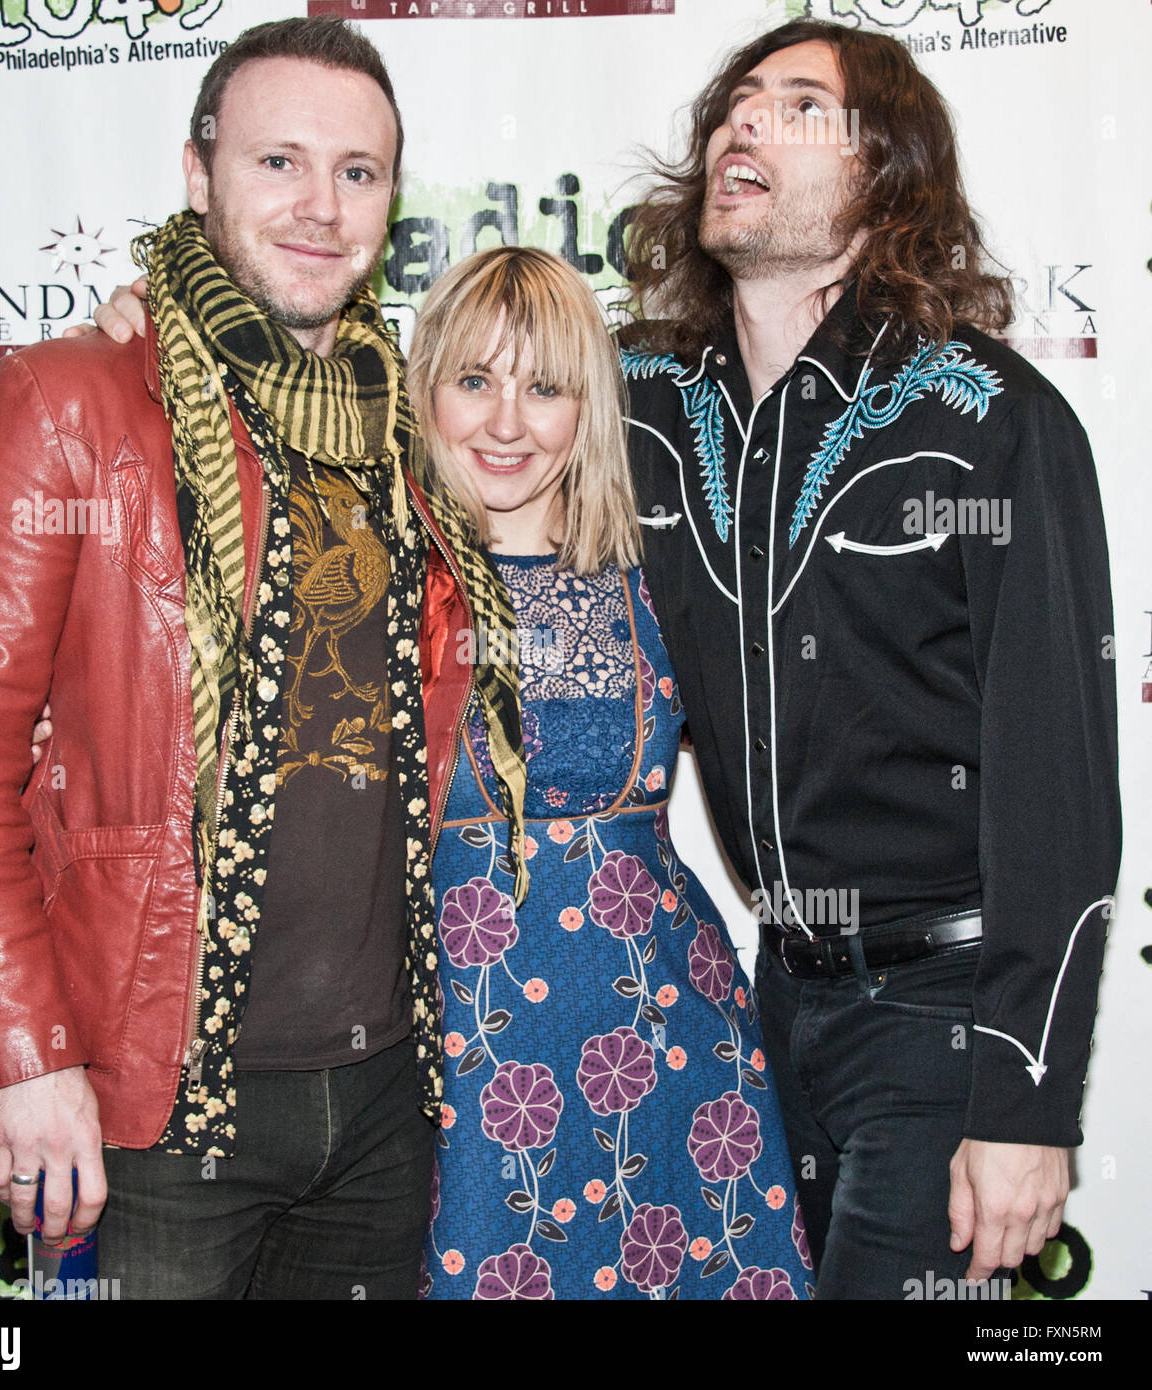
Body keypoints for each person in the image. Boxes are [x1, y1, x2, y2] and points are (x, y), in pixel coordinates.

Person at [0, 16, 529, 1300]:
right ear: (197, 175)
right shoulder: (68, 401)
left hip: (388, 1093)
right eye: (276, 161)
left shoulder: (401, 422)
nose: (318, 205)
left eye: (356, 172)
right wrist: (22, 1058)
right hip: (156, 1104)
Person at [79, 245, 814, 1301]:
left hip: (665, 1046)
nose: (507, 422)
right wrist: (154, 330)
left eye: (545, 386)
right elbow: (217, 449)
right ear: (422, 391)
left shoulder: (669, 566)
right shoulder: (364, 567)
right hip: (447, 1061)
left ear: (588, 406)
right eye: (473, 380)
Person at [619, 19, 1121, 1299]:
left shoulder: (991, 426)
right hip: (764, 1015)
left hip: (944, 1024)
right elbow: (458, 392)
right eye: (735, 101)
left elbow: (1056, 789)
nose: (743, 120)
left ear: (881, 172)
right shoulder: (644, 406)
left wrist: (1026, 1101)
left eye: (797, 105)